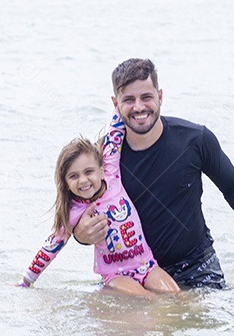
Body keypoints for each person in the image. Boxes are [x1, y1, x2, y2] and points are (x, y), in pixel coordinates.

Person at [73, 58, 234, 290]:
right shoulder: (102, 157)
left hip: (197, 269)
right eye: (128, 100)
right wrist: (81, 235)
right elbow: (75, 210)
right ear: (115, 104)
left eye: (146, 97)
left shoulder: (195, 140)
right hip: (129, 273)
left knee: (193, 319)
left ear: (160, 96)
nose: (138, 107)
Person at [18, 115, 181, 297]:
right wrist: (26, 280)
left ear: (101, 170)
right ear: (65, 183)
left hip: (147, 265)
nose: (83, 180)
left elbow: (115, 133)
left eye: (88, 172)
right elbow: (50, 248)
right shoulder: (73, 212)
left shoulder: (112, 175)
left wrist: (118, 105)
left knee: (178, 296)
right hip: (116, 275)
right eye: (74, 176)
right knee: (149, 299)